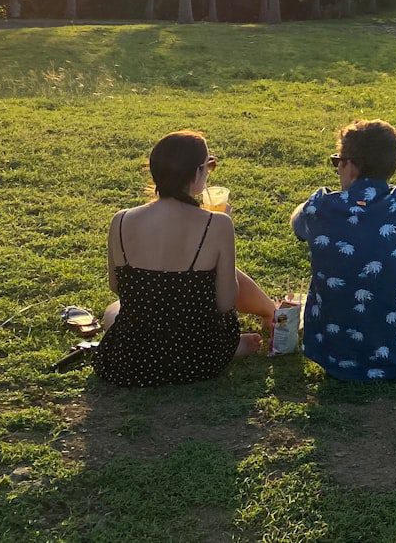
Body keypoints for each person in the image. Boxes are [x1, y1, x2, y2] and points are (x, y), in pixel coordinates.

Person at [93, 131, 276, 387]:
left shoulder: (121, 219)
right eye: (209, 165)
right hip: (200, 358)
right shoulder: (218, 224)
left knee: (113, 310)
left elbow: (117, 286)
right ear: (198, 172)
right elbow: (225, 303)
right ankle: (262, 320)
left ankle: (256, 323)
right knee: (225, 274)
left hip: (130, 360)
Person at [292, 120, 396, 381]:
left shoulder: (320, 207)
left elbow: (296, 223)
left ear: (351, 166)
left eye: (338, 162)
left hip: (331, 354)